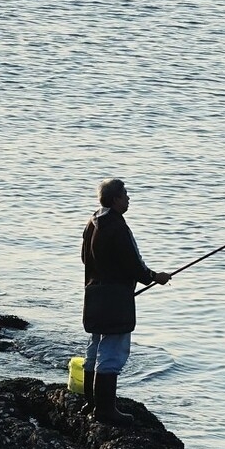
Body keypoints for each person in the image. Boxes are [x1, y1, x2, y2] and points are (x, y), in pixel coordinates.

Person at [80, 178, 171, 425]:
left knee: (94, 348)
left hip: (94, 295)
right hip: (115, 301)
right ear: (116, 199)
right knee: (112, 352)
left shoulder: (92, 221)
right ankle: (106, 411)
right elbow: (134, 265)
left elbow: (84, 258)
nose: (129, 198)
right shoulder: (118, 226)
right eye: (126, 194)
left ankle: (91, 402)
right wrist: (156, 277)